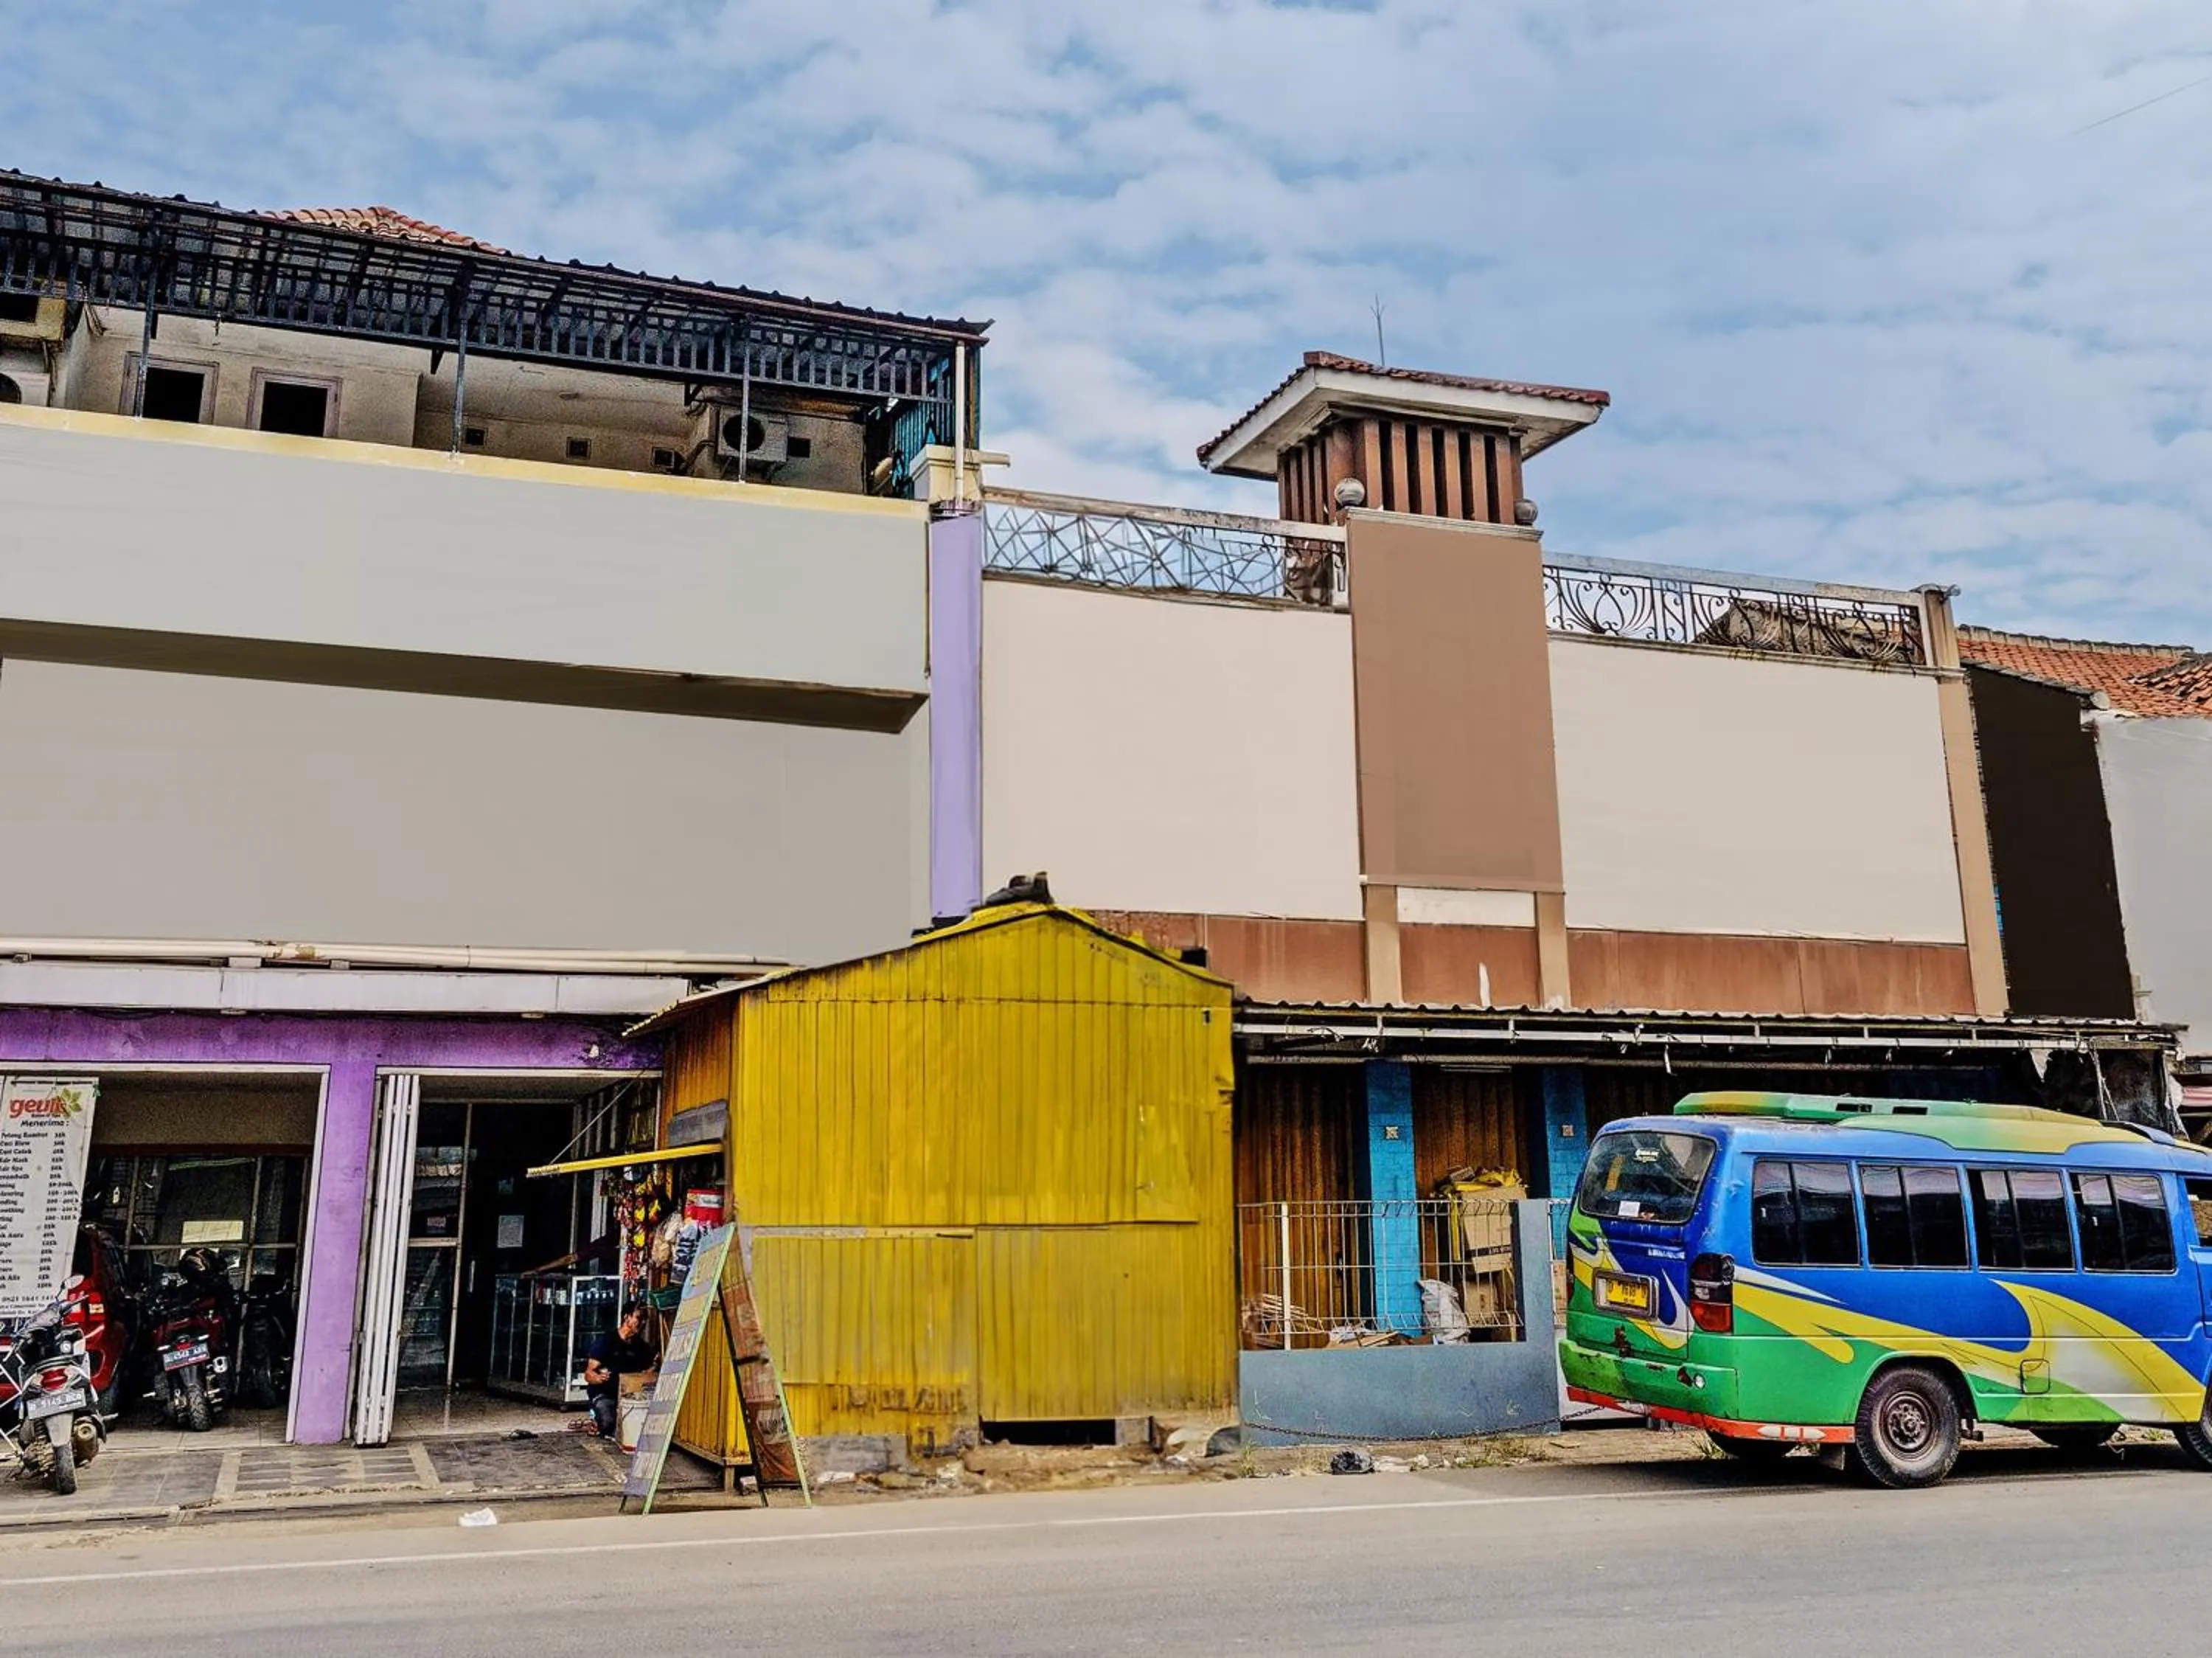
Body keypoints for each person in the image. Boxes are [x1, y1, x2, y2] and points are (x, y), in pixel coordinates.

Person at [582, 1303, 658, 1440]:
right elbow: (589, 1374)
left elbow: (647, 1370)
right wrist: (598, 1378)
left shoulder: (641, 1347)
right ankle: (596, 1417)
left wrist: (655, 1365)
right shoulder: (607, 1341)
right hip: (605, 1394)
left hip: (628, 1395)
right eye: (638, 1318)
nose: (642, 1323)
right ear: (626, 1317)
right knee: (607, 1424)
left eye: (645, 1319)